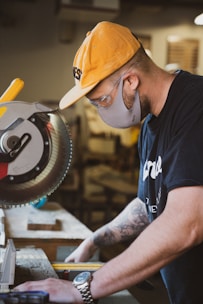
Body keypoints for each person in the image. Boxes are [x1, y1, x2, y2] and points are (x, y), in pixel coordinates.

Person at [16, 21, 203, 304]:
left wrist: (82, 289)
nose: (102, 110)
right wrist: (94, 240)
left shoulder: (195, 105)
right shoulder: (151, 123)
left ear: (130, 81)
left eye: (103, 100)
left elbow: (187, 223)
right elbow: (149, 203)